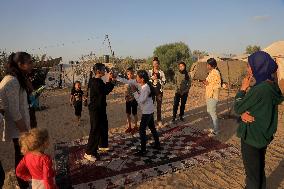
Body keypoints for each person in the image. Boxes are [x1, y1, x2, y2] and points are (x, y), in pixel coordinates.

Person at [234, 51, 284, 189]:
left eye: (250, 66)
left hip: (252, 137)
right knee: (259, 170)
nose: (248, 69)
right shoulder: (272, 86)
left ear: (259, 67)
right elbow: (260, 106)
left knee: (252, 177)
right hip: (263, 135)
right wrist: (244, 113)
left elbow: (237, 107)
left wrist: (242, 90)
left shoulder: (260, 89)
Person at [0, 52, 32, 189]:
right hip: (18, 129)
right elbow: (14, 111)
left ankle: (23, 183)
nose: (32, 65)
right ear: (20, 64)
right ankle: (23, 185)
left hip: (20, 127)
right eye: (29, 62)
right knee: (21, 157)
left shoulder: (16, 78)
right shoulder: (11, 81)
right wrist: (25, 132)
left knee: (22, 156)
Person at [84, 63, 116, 162]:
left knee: (102, 127)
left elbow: (104, 88)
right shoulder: (95, 82)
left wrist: (110, 80)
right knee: (95, 130)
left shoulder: (96, 80)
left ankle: (99, 147)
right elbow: (105, 90)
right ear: (98, 71)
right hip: (95, 109)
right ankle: (88, 153)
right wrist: (112, 82)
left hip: (100, 108)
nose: (104, 70)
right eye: (103, 69)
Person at [131, 70, 160, 156]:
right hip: (149, 110)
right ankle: (157, 144)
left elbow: (141, 101)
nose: (136, 78)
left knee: (141, 130)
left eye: (137, 77)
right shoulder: (145, 85)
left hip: (147, 111)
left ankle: (143, 150)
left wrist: (134, 92)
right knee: (152, 128)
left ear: (142, 79)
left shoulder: (146, 87)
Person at [116, 67, 139, 134]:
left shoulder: (136, 81)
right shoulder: (126, 81)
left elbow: (138, 91)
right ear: (127, 75)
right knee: (128, 113)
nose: (130, 75)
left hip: (134, 100)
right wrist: (125, 96)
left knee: (134, 113)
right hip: (127, 100)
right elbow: (125, 90)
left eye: (131, 73)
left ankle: (136, 126)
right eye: (128, 74)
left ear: (133, 73)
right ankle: (129, 126)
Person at [203, 58, 221, 136]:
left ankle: (216, 131)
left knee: (213, 113)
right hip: (209, 95)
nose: (207, 66)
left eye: (208, 64)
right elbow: (209, 82)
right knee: (209, 112)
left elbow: (217, 85)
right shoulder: (211, 72)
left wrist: (207, 83)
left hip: (213, 96)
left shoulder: (216, 72)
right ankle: (212, 128)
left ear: (212, 65)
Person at [148, 57, 166, 126]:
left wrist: (159, 79)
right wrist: (152, 79)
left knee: (159, 106)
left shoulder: (161, 72)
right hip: (151, 92)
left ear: (158, 64)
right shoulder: (149, 72)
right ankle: (151, 120)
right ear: (152, 64)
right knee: (151, 106)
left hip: (159, 92)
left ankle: (159, 120)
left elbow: (164, 81)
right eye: (154, 63)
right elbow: (146, 81)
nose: (155, 65)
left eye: (157, 63)